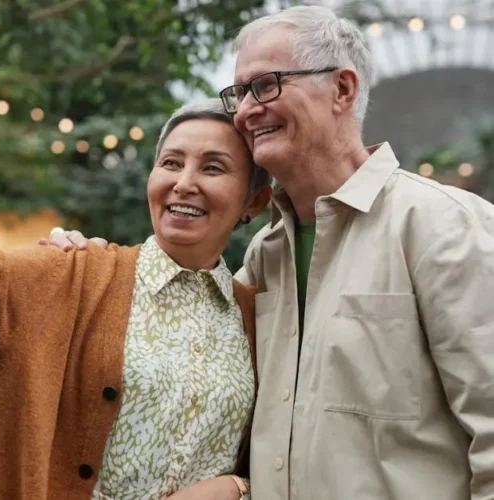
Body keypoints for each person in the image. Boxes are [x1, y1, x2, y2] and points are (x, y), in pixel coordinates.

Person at [42, 5, 494, 499]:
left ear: (342, 89)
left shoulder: (443, 225)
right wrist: (86, 266)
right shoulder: (263, 256)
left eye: (266, 85)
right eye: (239, 93)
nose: (245, 110)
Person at [0, 35, 272, 500]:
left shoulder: (261, 316)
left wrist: (238, 487)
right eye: (171, 162)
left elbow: (289, 450)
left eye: (213, 168)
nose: (184, 183)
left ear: (254, 200)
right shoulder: (67, 277)